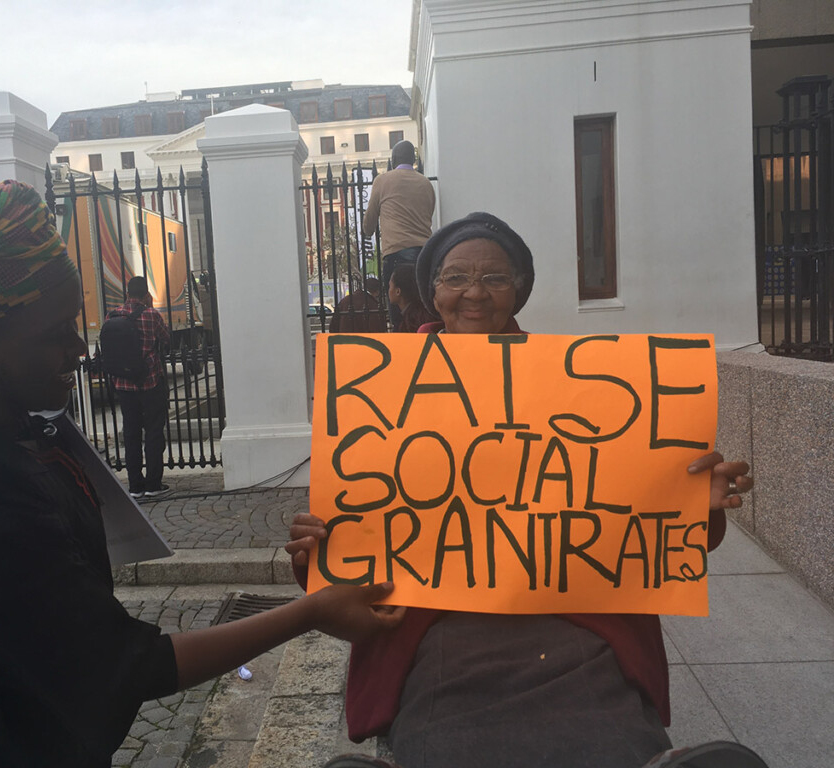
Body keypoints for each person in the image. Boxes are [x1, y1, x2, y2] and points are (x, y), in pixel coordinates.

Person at [0, 181, 402, 767]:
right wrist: (311, 612)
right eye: (55, 334)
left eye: (75, 324)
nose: (79, 349)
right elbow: (128, 667)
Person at [287, 212, 757, 768]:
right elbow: (361, 547)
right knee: (446, 739)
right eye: (455, 277)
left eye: (495, 278)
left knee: (609, 731)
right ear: (433, 291)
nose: (474, 293)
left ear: (519, 290)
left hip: (575, 617)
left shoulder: (580, 384)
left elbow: (668, 541)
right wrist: (323, 547)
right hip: (437, 626)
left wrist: (696, 507)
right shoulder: (382, 387)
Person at [106, 275, 170, 498]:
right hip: (150, 382)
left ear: (127, 294)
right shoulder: (151, 315)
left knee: (131, 433)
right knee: (153, 431)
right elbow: (166, 338)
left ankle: (135, 486)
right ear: (146, 295)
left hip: (124, 384)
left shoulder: (113, 315)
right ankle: (153, 484)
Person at [362, 140, 435, 329]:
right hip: (424, 256)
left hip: (397, 255)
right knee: (424, 313)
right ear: (414, 159)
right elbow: (429, 213)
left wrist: (370, 226)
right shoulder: (426, 183)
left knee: (399, 318)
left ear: (393, 159)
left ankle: (404, 345)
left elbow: (369, 225)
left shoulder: (382, 181)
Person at [387, 263, 437, 333]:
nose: (388, 290)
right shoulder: (424, 313)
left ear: (398, 291)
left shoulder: (410, 323)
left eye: (390, 286)